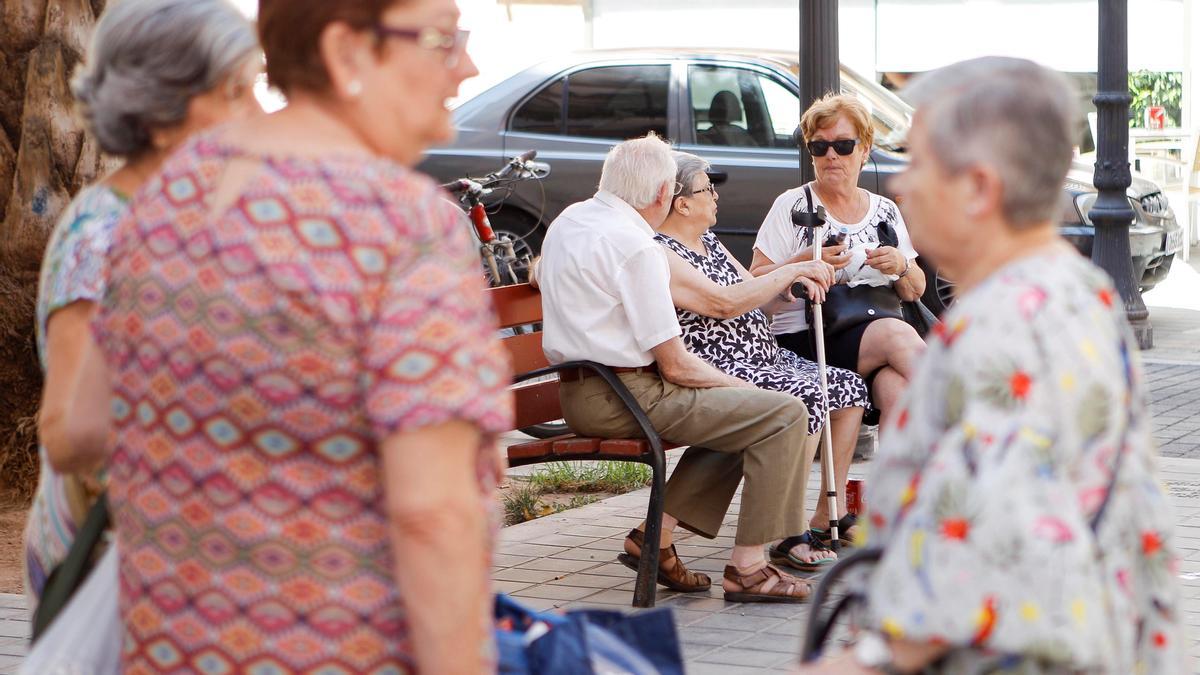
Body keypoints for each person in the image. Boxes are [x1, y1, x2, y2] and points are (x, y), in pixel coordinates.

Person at [56, 0, 510, 672]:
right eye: (442, 37)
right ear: (346, 53)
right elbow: (433, 517)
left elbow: (86, 426)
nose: (466, 65)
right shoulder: (405, 224)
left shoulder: (168, 191)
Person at [801, 57, 1185, 674]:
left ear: (978, 187)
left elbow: (993, 555)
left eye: (921, 163)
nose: (901, 185)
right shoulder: (1073, 288)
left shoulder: (1006, 326)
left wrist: (870, 658)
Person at [26, 0, 261, 613]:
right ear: (159, 109)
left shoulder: (177, 211)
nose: (258, 115)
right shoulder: (106, 236)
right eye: (237, 92)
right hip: (119, 573)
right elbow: (68, 435)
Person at [538, 132, 825, 603]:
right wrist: (743, 388)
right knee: (782, 414)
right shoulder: (638, 248)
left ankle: (657, 536)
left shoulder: (573, 218)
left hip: (584, 389)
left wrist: (741, 396)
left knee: (746, 415)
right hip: (622, 394)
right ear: (660, 194)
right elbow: (676, 366)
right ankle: (749, 570)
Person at [655, 151, 871, 564]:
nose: (716, 197)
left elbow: (750, 292)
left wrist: (784, 288)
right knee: (807, 396)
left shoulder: (709, 241)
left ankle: (829, 512)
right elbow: (723, 304)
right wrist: (786, 273)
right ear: (681, 203)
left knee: (847, 386)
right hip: (722, 362)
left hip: (762, 354)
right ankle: (789, 532)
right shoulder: (663, 251)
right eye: (707, 189)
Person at [750, 94, 926, 428]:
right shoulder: (793, 205)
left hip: (873, 334)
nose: (831, 155)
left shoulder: (884, 209)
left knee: (897, 389)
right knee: (895, 333)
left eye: (843, 145)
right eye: (819, 147)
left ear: (865, 149)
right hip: (807, 338)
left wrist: (900, 264)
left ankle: (886, 482)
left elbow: (915, 289)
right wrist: (804, 260)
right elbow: (753, 282)